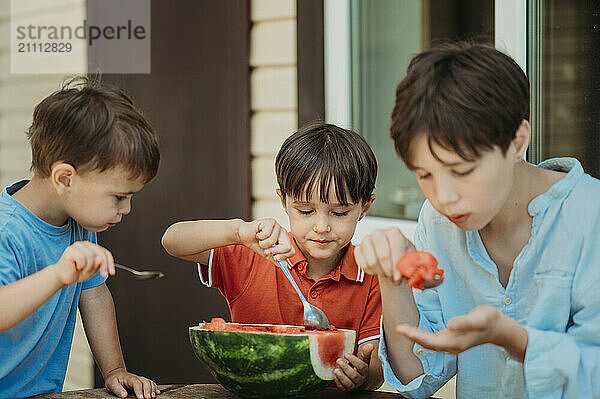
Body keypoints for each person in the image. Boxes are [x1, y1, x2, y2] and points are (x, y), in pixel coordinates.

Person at [354, 41, 600, 398]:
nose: (443, 197)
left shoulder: (589, 214)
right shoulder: (436, 222)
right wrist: (393, 279)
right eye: (425, 175)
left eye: (462, 171)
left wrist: (512, 338)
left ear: (517, 142)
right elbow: (417, 378)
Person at [162, 122, 384, 391]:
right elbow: (172, 241)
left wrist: (362, 378)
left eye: (339, 213)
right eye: (305, 210)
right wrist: (239, 231)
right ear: (283, 201)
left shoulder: (372, 276)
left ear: (365, 207)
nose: (321, 227)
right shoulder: (256, 254)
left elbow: (375, 370)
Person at [0, 77, 162, 399]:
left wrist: (115, 370)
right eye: (118, 197)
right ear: (65, 178)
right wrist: (59, 275)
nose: (126, 208)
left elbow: (94, 295)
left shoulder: (77, 222)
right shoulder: (8, 231)